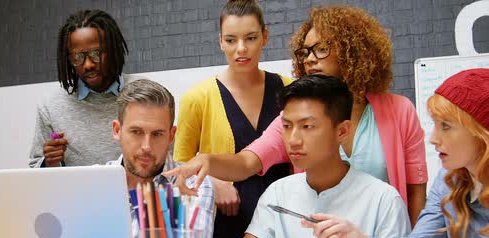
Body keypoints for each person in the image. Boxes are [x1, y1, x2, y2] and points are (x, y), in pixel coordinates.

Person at [167, 5, 427, 226]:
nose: (310, 60)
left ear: (352, 51)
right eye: (305, 52)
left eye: (321, 49)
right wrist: (208, 163)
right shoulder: (291, 120)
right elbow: (247, 162)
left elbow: (416, 190)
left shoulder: (399, 111)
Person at [221, 75, 410, 238]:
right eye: (287, 126)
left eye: (307, 126)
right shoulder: (278, 193)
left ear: (342, 131)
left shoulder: (383, 200)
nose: (293, 140)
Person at [301, 69, 489, 238]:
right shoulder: (446, 184)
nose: (433, 138)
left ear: (481, 131)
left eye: (446, 126)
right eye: (435, 125)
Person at [173, 0, 292, 238]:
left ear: (265, 36)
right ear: (220, 42)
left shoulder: (288, 89)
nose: (241, 48)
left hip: (281, 221)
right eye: (231, 39)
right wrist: (215, 183)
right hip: (223, 224)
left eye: (250, 38)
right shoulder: (197, 98)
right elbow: (180, 163)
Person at [107, 79, 215, 238]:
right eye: (136, 132)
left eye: (157, 134)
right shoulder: (92, 183)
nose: (147, 146)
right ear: (117, 130)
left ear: (171, 136)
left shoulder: (195, 183)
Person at [29, 9, 129, 167]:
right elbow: (34, 169)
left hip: (135, 191)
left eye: (96, 53)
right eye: (78, 57)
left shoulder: (146, 94)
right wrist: (49, 162)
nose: (88, 64)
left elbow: (166, 159)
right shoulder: (51, 106)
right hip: (74, 192)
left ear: (113, 50)